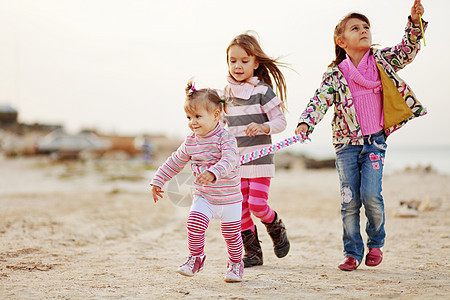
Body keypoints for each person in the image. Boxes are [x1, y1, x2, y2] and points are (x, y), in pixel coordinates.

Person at [295, 0, 427, 271]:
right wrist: (305, 124)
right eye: (355, 28)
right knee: (349, 201)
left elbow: (408, 49)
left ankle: (376, 243)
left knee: (371, 195)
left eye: (366, 26)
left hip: (375, 143)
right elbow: (318, 101)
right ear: (341, 41)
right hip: (346, 147)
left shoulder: (381, 61)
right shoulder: (335, 75)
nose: (364, 30)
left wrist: (414, 23)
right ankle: (352, 252)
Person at [150, 81, 244, 282]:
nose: (193, 122)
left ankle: (236, 264)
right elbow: (175, 161)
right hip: (205, 196)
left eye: (198, 116)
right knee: (194, 223)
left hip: (229, 198)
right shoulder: (191, 141)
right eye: (189, 117)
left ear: (216, 115)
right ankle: (196, 258)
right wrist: (158, 180)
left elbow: (229, 159)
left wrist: (213, 172)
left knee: (231, 235)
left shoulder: (225, 138)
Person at [223, 32, 290, 268]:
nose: (238, 66)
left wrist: (263, 126)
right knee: (239, 208)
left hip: (260, 159)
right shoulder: (225, 95)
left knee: (257, 205)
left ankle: (276, 227)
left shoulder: (262, 91)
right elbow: (221, 127)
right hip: (235, 162)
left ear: (255, 63)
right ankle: (253, 253)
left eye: (244, 60)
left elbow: (281, 122)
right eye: (233, 61)